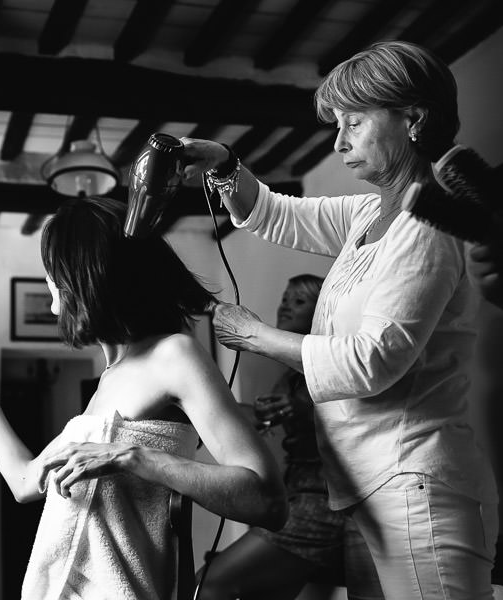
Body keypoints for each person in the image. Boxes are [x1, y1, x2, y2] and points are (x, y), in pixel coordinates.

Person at [180, 40, 498, 598]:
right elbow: (275, 214)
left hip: (414, 485)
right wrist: (226, 165)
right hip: (363, 486)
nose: (339, 140)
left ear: (414, 119)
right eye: (337, 124)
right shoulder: (372, 212)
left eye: (354, 121)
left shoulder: (429, 221)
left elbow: (371, 361)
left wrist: (256, 336)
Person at [0, 194, 287, 600]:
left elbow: (267, 501)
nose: (48, 280)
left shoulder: (174, 355)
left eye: (53, 269)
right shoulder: (108, 379)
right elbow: (25, 481)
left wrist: (133, 457)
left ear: (83, 276)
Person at [195, 275, 383, 600]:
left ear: (320, 312)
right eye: (286, 298)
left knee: (208, 584)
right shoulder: (288, 376)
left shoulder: (333, 364)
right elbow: (259, 417)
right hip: (294, 496)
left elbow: (356, 417)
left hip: (323, 503)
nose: (286, 306)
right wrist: (194, 405)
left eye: (300, 302)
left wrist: (299, 407)